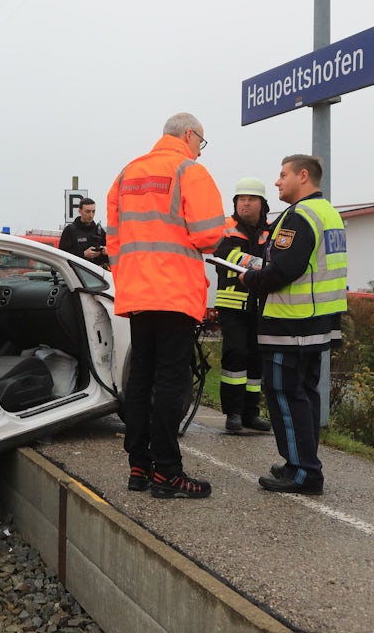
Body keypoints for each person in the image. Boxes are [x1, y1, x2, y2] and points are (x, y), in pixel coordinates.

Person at [106, 112, 225, 499]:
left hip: (137, 294)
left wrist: (129, 277)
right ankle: (168, 473)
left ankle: (139, 467)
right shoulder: (188, 171)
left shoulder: (127, 174)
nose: (200, 151)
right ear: (189, 135)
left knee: (140, 379)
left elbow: (114, 240)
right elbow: (209, 235)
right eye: (201, 143)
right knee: (172, 380)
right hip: (174, 293)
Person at [241, 154, 347, 495]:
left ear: (303, 176)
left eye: (283, 174)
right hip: (318, 322)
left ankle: (303, 471)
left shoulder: (299, 215)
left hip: (291, 323)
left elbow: (283, 270)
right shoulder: (329, 212)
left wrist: (250, 278)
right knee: (305, 394)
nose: (277, 181)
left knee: (285, 394)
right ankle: (301, 461)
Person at [213, 177, 272, 433]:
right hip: (232, 304)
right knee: (236, 354)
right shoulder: (225, 227)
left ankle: (251, 413)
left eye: (251, 199)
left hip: (261, 305)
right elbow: (224, 254)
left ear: (262, 203)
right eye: (241, 200)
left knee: (257, 359)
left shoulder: (271, 229)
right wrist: (261, 265)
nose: (245, 204)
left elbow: (278, 257)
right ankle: (233, 414)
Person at [59, 197, 109, 268]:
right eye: (88, 212)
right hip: (77, 273)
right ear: (80, 211)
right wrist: (83, 254)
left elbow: (112, 255)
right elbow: (62, 254)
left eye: (93, 211)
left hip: (97, 273)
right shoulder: (70, 230)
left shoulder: (100, 231)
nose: (91, 215)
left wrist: (106, 252)